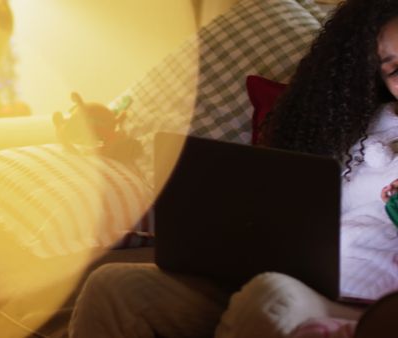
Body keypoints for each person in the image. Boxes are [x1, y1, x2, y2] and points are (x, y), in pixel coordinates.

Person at [68, 0, 398, 337]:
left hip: (365, 302)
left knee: (270, 298)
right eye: (395, 70)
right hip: (284, 275)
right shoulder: (354, 125)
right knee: (114, 288)